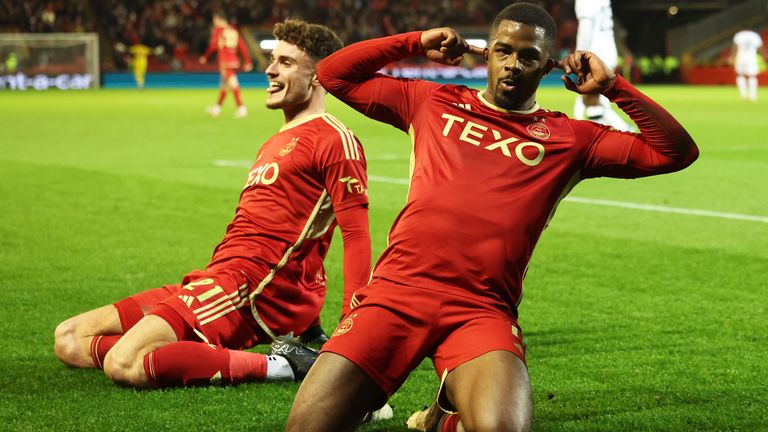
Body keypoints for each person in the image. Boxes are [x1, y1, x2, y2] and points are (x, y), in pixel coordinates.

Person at [286, 3, 698, 431]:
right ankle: (446, 415)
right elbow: (334, 74)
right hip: (397, 293)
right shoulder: (431, 101)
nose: (513, 64)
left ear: (547, 67)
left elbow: (675, 152)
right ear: (486, 53)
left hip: (480, 309)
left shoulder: (571, 139)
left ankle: (444, 416)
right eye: (503, 51)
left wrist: (612, 86)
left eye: (528, 57)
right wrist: (415, 41)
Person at [54, 19, 371, 390]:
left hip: (249, 290)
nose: (269, 68)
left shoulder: (334, 139)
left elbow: (355, 236)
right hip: (215, 278)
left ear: (318, 76)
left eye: (285, 62)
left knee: (125, 363)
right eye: (272, 59)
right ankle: (180, 353)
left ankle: (284, 366)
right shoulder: (276, 140)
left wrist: (352, 328)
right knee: (69, 339)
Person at [573, 0, 633, 131]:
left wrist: (580, 55)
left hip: (595, 54)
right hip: (608, 51)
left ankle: (624, 130)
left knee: (592, 101)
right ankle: (576, 123)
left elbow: (586, 28)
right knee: (589, 95)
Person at [199, 12, 253, 118]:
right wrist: (247, 61)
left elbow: (213, 46)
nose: (214, 22)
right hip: (234, 61)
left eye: (215, 20)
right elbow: (242, 46)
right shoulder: (233, 31)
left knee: (233, 84)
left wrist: (205, 56)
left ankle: (242, 108)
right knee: (224, 86)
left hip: (225, 62)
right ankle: (216, 109)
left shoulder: (219, 31)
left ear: (219, 19)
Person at [730, 28, 765, 102]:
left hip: (741, 57)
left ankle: (743, 95)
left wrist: (732, 57)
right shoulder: (755, 35)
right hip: (752, 57)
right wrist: (763, 55)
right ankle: (753, 95)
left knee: (740, 75)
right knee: (752, 76)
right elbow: (761, 47)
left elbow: (735, 47)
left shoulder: (739, 35)